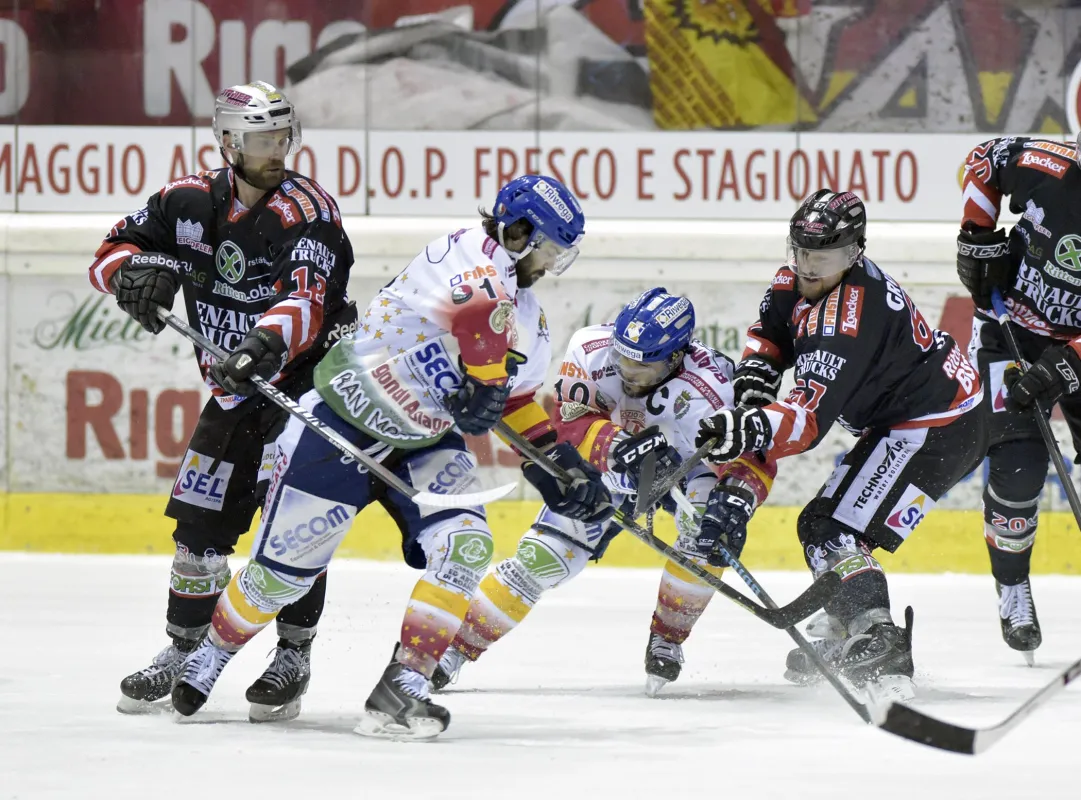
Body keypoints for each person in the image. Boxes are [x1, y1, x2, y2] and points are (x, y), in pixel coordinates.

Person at [166, 174, 614, 739]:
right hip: (343, 420)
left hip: (425, 442)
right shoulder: (469, 255)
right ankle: (214, 650)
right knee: (278, 580)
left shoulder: (530, 316)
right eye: (547, 248)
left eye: (559, 254)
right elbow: (478, 318)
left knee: (465, 546)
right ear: (517, 231)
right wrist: (485, 385)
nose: (550, 264)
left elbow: (516, 397)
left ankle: (404, 684)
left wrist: (558, 463)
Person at [89, 81, 357, 721]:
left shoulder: (308, 210)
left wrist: (262, 343)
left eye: (283, 137)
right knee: (199, 531)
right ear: (228, 141)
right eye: (263, 139)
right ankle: (182, 648)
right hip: (231, 395)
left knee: (292, 530)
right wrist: (131, 273)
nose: (277, 151)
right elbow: (106, 252)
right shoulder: (184, 200)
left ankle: (294, 654)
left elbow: (307, 299)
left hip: (304, 395)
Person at [696, 189, 986, 698]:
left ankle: (877, 634)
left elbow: (807, 423)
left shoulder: (845, 320)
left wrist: (750, 427)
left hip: (936, 424)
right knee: (831, 522)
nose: (808, 266)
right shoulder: (798, 279)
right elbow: (771, 332)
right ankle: (853, 624)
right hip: (920, 418)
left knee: (829, 524)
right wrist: (755, 381)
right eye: (800, 250)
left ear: (855, 252)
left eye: (823, 255)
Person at [430, 288, 775, 697]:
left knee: (704, 530)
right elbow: (565, 425)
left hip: (685, 469)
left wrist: (736, 500)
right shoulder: (590, 349)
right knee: (545, 556)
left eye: (641, 364)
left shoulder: (715, 387)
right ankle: (456, 649)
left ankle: (668, 637)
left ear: (676, 358)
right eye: (622, 356)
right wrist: (614, 444)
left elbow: (753, 455)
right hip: (612, 464)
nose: (627, 370)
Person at [955, 134, 1081, 662]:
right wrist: (975, 234)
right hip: (1014, 328)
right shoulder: (1048, 164)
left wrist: (1067, 365)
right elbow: (983, 159)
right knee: (1020, 465)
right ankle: (1012, 586)